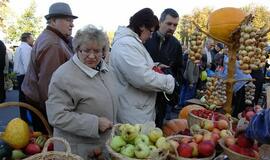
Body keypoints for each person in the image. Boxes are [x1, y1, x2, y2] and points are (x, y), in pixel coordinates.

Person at [46, 24, 117, 159]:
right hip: (77, 150)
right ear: (77, 49)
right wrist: (95, 123)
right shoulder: (63, 76)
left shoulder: (107, 70)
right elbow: (57, 115)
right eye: (86, 50)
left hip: (101, 147)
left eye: (97, 51)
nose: (92, 56)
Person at [110, 8, 175, 124]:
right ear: (141, 26)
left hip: (137, 109)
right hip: (133, 115)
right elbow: (142, 77)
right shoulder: (126, 45)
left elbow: (135, 66)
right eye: (150, 31)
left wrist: (156, 65)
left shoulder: (131, 43)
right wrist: (169, 82)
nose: (150, 36)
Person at [21, 2, 77, 133]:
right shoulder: (53, 44)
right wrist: (56, 114)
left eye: (72, 20)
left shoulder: (54, 38)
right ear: (53, 21)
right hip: (44, 107)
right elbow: (49, 85)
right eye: (68, 20)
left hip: (39, 102)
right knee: (50, 146)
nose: (72, 24)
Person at [144, 8, 183, 128]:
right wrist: (155, 66)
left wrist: (174, 92)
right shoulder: (146, 39)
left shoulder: (176, 45)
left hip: (162, 98)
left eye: (175, 25)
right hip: (144, 93)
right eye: (169, 23)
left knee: (158, 128)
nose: (172, 28)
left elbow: (178, 71)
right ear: (160, 22)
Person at [13, 33, 34, 123]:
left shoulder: (19, 48)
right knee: (28, 98)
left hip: (20, 75)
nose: (33, 39)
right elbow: (27, 64)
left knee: (22, 98)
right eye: (32, 37)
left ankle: (24, 118)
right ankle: (27, 119)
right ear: (28, 38)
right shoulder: (26, 48)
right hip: (25, 75)